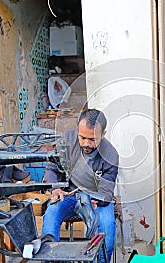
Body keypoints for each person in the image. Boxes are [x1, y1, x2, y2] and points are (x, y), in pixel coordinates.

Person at [41, 108, 119, 263]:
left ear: (103, 134)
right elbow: (52, 167)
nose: (86, 143)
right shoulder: (67, 141)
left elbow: (107, 190)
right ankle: (50, 259)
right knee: (51, 212)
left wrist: (97, 200)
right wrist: (55, 189)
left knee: (107, 225)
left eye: (92, 139)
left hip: (96, 199)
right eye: (82, 137)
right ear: (77, 129)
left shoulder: (110, 155)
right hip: (69, 195)